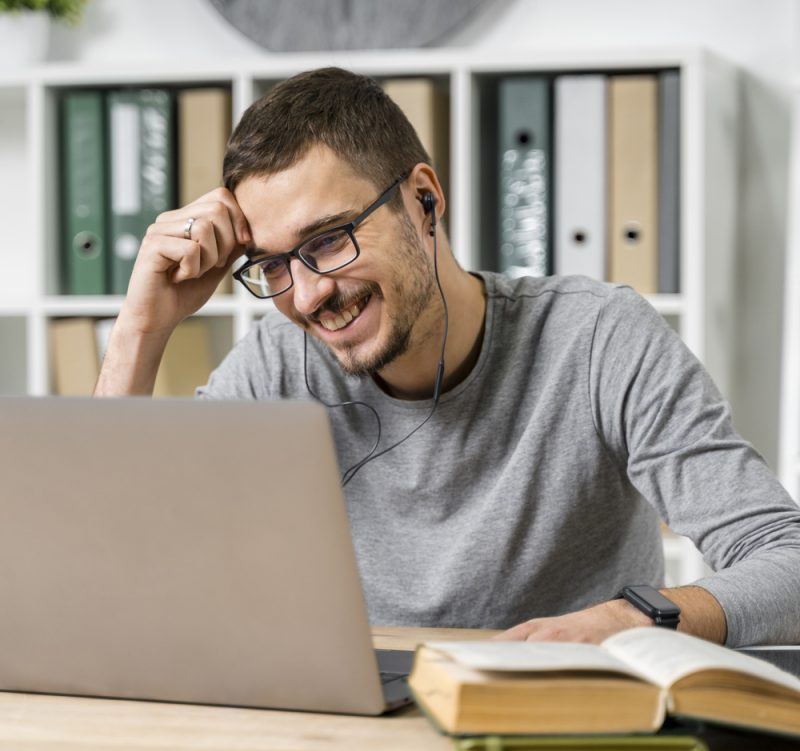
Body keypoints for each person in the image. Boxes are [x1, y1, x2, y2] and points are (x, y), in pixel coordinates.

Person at [95, 67, 800, 648]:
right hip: (360, 731)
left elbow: (787, 566)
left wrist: (629, 620)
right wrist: (139, 329)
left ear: (425, 200)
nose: (309, 295)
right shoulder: (280, 362)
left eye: (330, 239)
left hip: (562, 724)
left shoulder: (598, 339)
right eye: (273, 265)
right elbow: (115, 562)